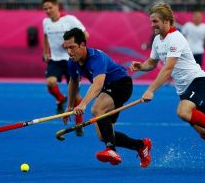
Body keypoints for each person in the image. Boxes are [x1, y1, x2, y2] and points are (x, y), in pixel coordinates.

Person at [130, 3, 205, 152]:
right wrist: (141, 66)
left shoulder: (175, 38)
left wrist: (151, 90)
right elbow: (152, 62)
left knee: (183, 112)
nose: (152, 25)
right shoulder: (157, 40)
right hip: (185, 90)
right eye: (151, 21)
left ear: (166, 21)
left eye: (155, 21)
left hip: (199, 83)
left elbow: (168, 69)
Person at [62, 27, 152, 167]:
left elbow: (97, 85)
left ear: (82, 45)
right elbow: (73, 81)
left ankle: (111, 151)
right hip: (108, 89)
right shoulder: (72, 62)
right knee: (103, 135)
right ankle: (141, 145)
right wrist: (70, 105)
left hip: (121, 85)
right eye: (66, 48)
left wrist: (83, 103)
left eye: (72, 47)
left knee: (97, 108)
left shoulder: (96, 58)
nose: (69, 52)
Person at [42, 0, 89, 136]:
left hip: (71, 60)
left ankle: (79, 124)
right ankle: (61, 99)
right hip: (55, 60)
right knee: (50, 82)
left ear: (57, 6)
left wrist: (71, 44)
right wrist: (45, 52)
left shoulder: (69, 20)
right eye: (45, 8)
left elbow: (85, 34)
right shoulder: (45, 22)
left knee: (75, 96)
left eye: (50, 7)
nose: (48, 10)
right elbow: (45, 36)